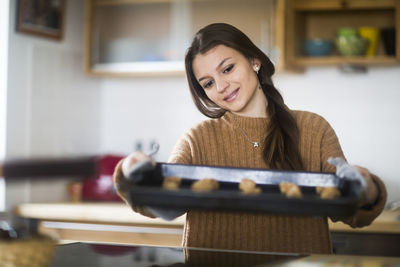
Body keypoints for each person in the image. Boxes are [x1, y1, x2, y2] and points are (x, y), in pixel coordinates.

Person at [113, 23, 386, 254]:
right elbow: (166, 206)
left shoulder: (313, 128)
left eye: (227, 69)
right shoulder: (197, 139)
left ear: (254, 61)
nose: (221, 87)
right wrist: (133, 175)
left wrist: (367, 187)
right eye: (207, 83)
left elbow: (352, 211)